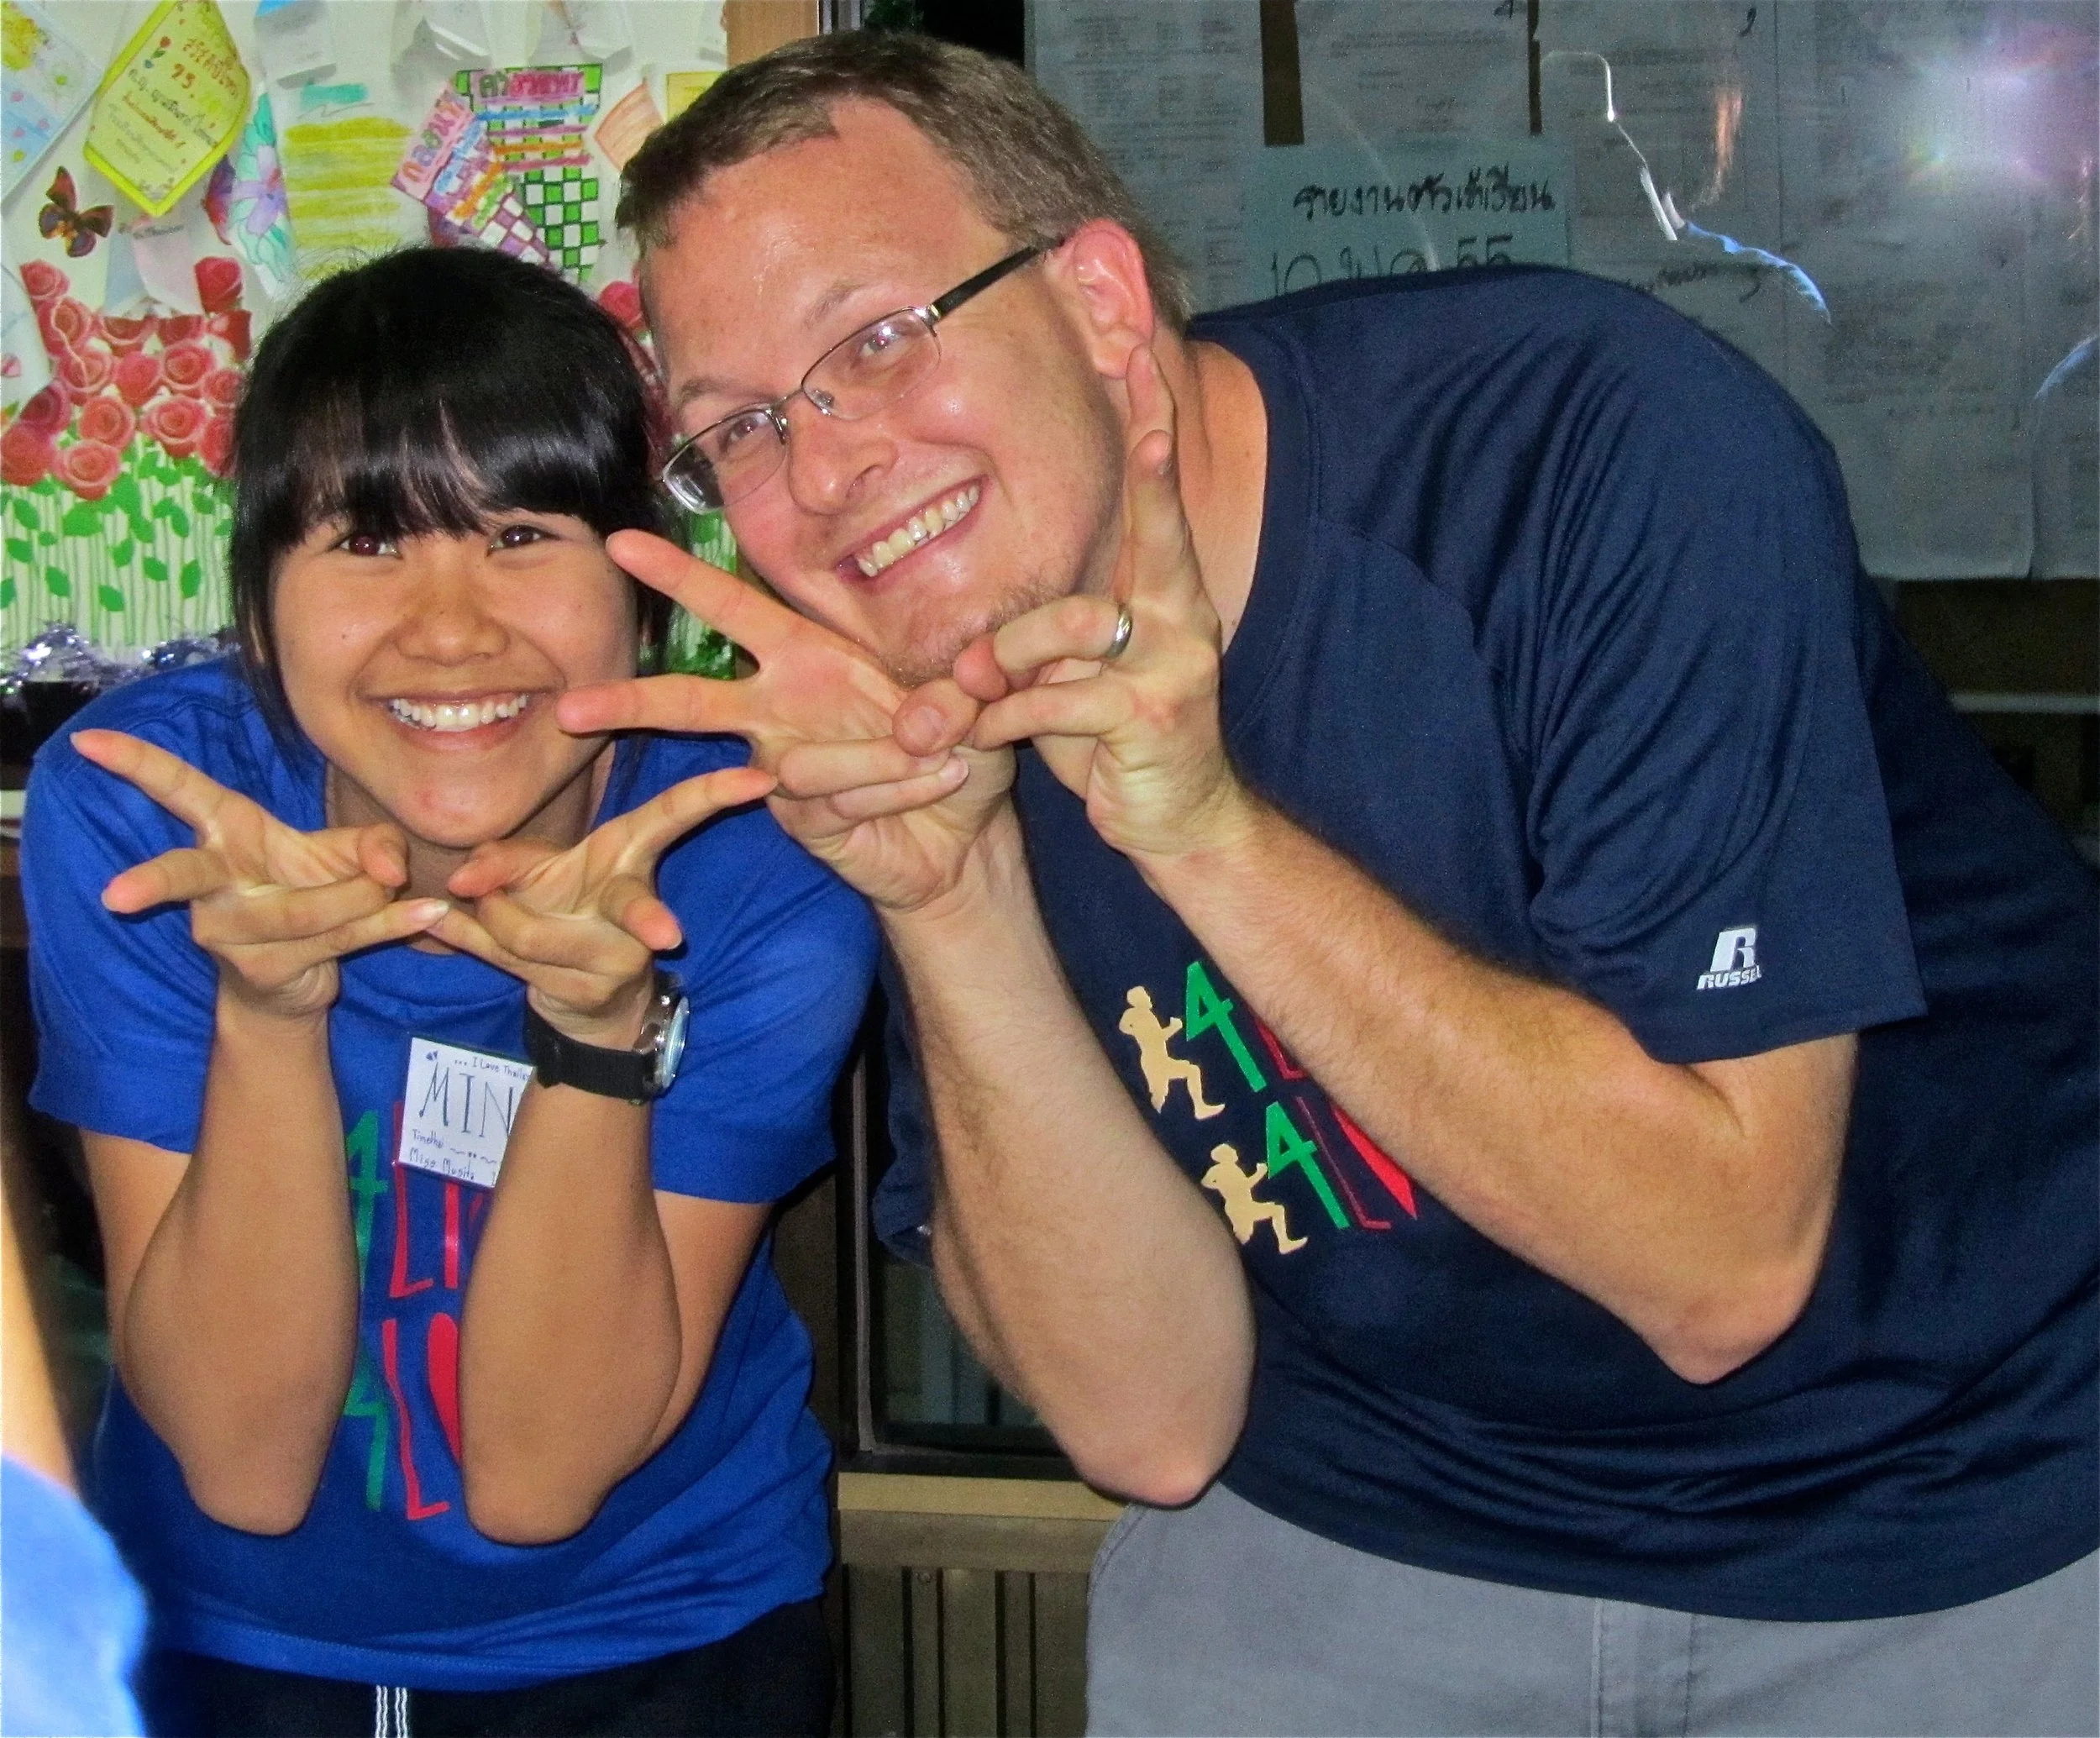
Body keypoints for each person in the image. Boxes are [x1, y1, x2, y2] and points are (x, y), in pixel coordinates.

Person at [559, 32, 2098, 1738]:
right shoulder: (944, 676)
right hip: (1354, 1507)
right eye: (745, 429)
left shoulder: (1589, 452)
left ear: (1098, 304)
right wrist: (951, 889)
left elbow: (1719, 1271)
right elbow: (1147, 1425)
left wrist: (1202, 831)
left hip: (1943, 1496)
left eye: (876, 339)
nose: (829, 469)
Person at [22, 245, 875, 1737]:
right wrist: (271, 1015)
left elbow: (541, 1480)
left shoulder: (758, 852)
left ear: (646, 589)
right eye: (363, 543)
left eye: (522, 533)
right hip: (229, 1645)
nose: (449, 628)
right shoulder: (146, 814)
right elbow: (239, 1464)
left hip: (660, 1640)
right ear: (260, 602)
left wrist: (600, 1038)